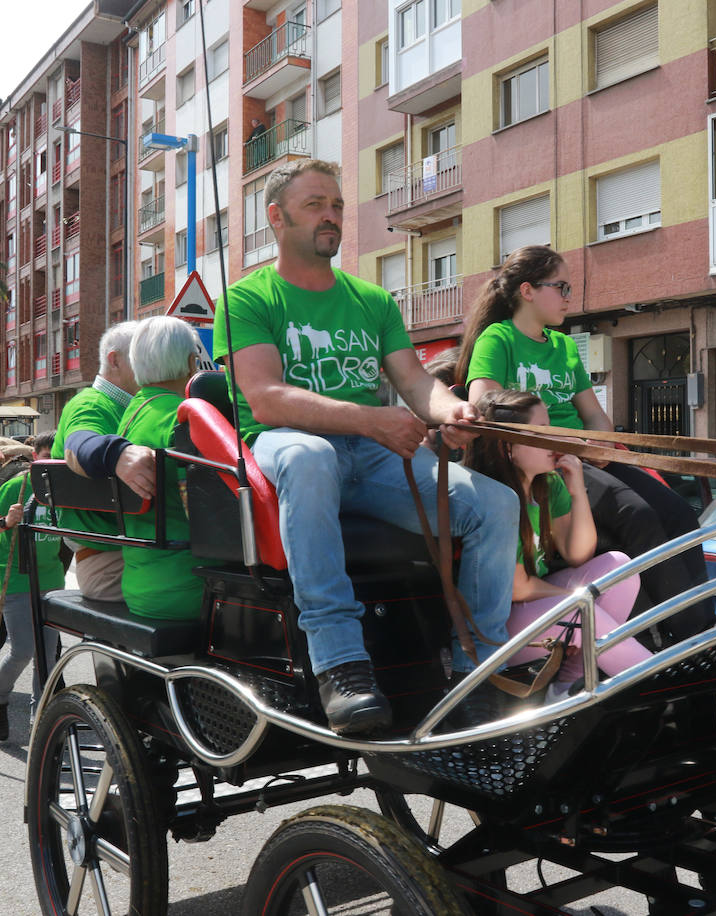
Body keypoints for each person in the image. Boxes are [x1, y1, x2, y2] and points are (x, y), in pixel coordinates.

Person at [212, 159, 518, 735]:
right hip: (286, 445)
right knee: (310, 457)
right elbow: (267, 398)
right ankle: (339, 665)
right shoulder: (247, 299)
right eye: (314, 205)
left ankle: (475, 671)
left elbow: (414, 382)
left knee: (497, 505)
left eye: (336, 205)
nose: (331, 216)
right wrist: (372, 421)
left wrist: (452, 410)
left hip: (374, 455)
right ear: (275, 218)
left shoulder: (372, 300)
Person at [457, 244, 710, 643]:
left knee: (680, 511)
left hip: (585, 453)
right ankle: (681, 637)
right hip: (546, 460)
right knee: (639, 514)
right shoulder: (497, 339)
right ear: (527, 290)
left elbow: (594, 415)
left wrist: (597, 443)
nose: (569, 298)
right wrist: (565, 442)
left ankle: (701, 626)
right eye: (561, 287)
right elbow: (485, 408)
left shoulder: (562, 347)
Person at [466, 390, 653, 701]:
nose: (553, 439)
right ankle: (656, 678)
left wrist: (577, 488)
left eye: (551, 427)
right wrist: (579, 599)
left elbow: (577, 553)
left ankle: (568, 685)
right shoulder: (493, 494)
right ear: (506, 446)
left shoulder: (547, 484)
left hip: (534, 609)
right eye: (541, 432)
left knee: (620, 567)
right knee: (582, 612)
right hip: (496, 625)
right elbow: (517, 588)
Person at [48, 320, 154, 602]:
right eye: (141, 356)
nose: (149, 363)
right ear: (115, 360)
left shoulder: (129, 405)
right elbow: (77, 444)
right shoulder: (92, 403)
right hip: (111, 555)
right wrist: (116, 454)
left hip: (127, 548)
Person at [118, 317, 214, 620]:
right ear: (190, 362)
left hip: (139, 586)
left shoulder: (131, 414)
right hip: (191, 589)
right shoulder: (183, 418)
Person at [0, 433, 64, 741]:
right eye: (46, 455)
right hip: (16, 581)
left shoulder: (65, 489)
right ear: (34, 456)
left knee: (48, 658)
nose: (51, 461)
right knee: (23, 650)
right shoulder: (16, 486)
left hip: (52, 583)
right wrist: (5, 523)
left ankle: (42, 726)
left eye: (57, 455)